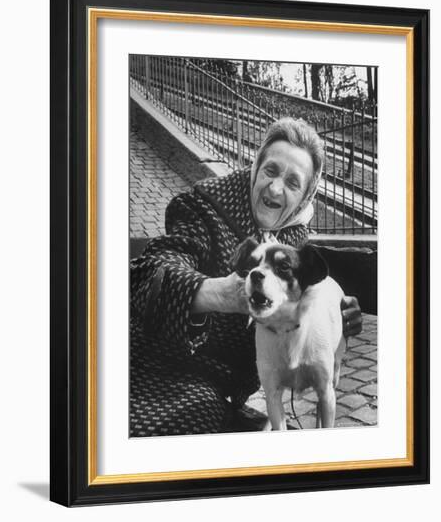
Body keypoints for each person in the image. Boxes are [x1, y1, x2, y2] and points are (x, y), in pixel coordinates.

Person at [130, 117, 368, 437]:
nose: (274, 187)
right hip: (161, 374)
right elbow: (149, 275)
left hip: (231, 390)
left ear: (305, 199)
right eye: (270, 170)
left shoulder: (294, 244)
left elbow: (297, 315)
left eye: (293, 182)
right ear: (255, 168)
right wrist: (218, 293)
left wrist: (336, 313)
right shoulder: (202, 208)